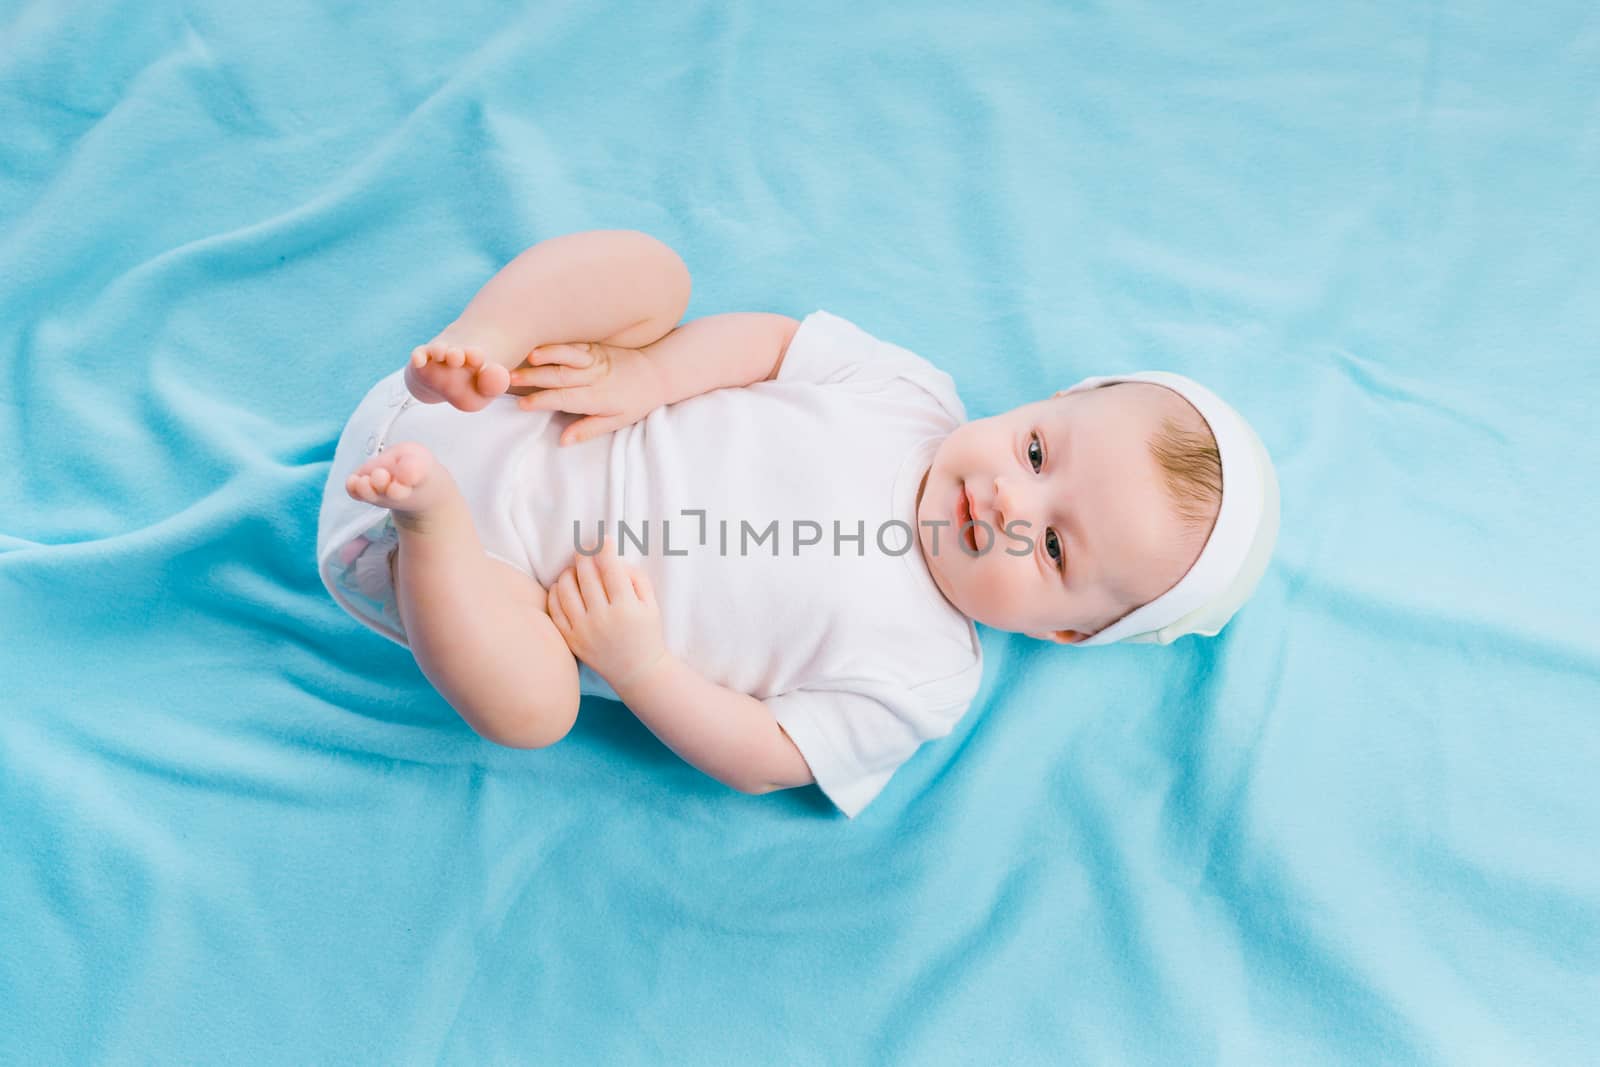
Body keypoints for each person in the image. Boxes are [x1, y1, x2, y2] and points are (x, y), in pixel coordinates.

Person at [316, 229, 1280, 818]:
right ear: (1045, 402)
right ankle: (480, 339)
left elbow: (771, 756)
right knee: (655, 278)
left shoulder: (924, 676)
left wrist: (642, 665)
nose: (1008, 502)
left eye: (1057, 546)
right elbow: (774, 343)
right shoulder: (911, 394)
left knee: (536, 710)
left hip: (496, 580)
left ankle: (432, 526)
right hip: (533, 397)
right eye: (1036, 452)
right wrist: (647, 374)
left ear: (1064, 632)